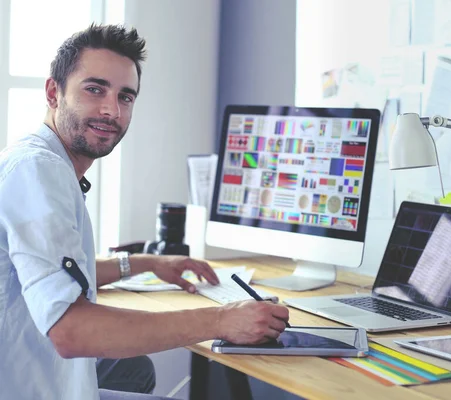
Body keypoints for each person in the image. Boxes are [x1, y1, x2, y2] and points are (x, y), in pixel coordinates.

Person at [0, 24, 289, 400]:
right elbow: (71, 331)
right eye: (94, 89)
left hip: (41, 371)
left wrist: (143, 264)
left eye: (126, 97)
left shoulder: (39, 159)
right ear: (54, 92)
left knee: (133, 368)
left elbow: (52, 272)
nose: (111, 109)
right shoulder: (39, 170)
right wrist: (221, 320)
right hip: (28, 387)